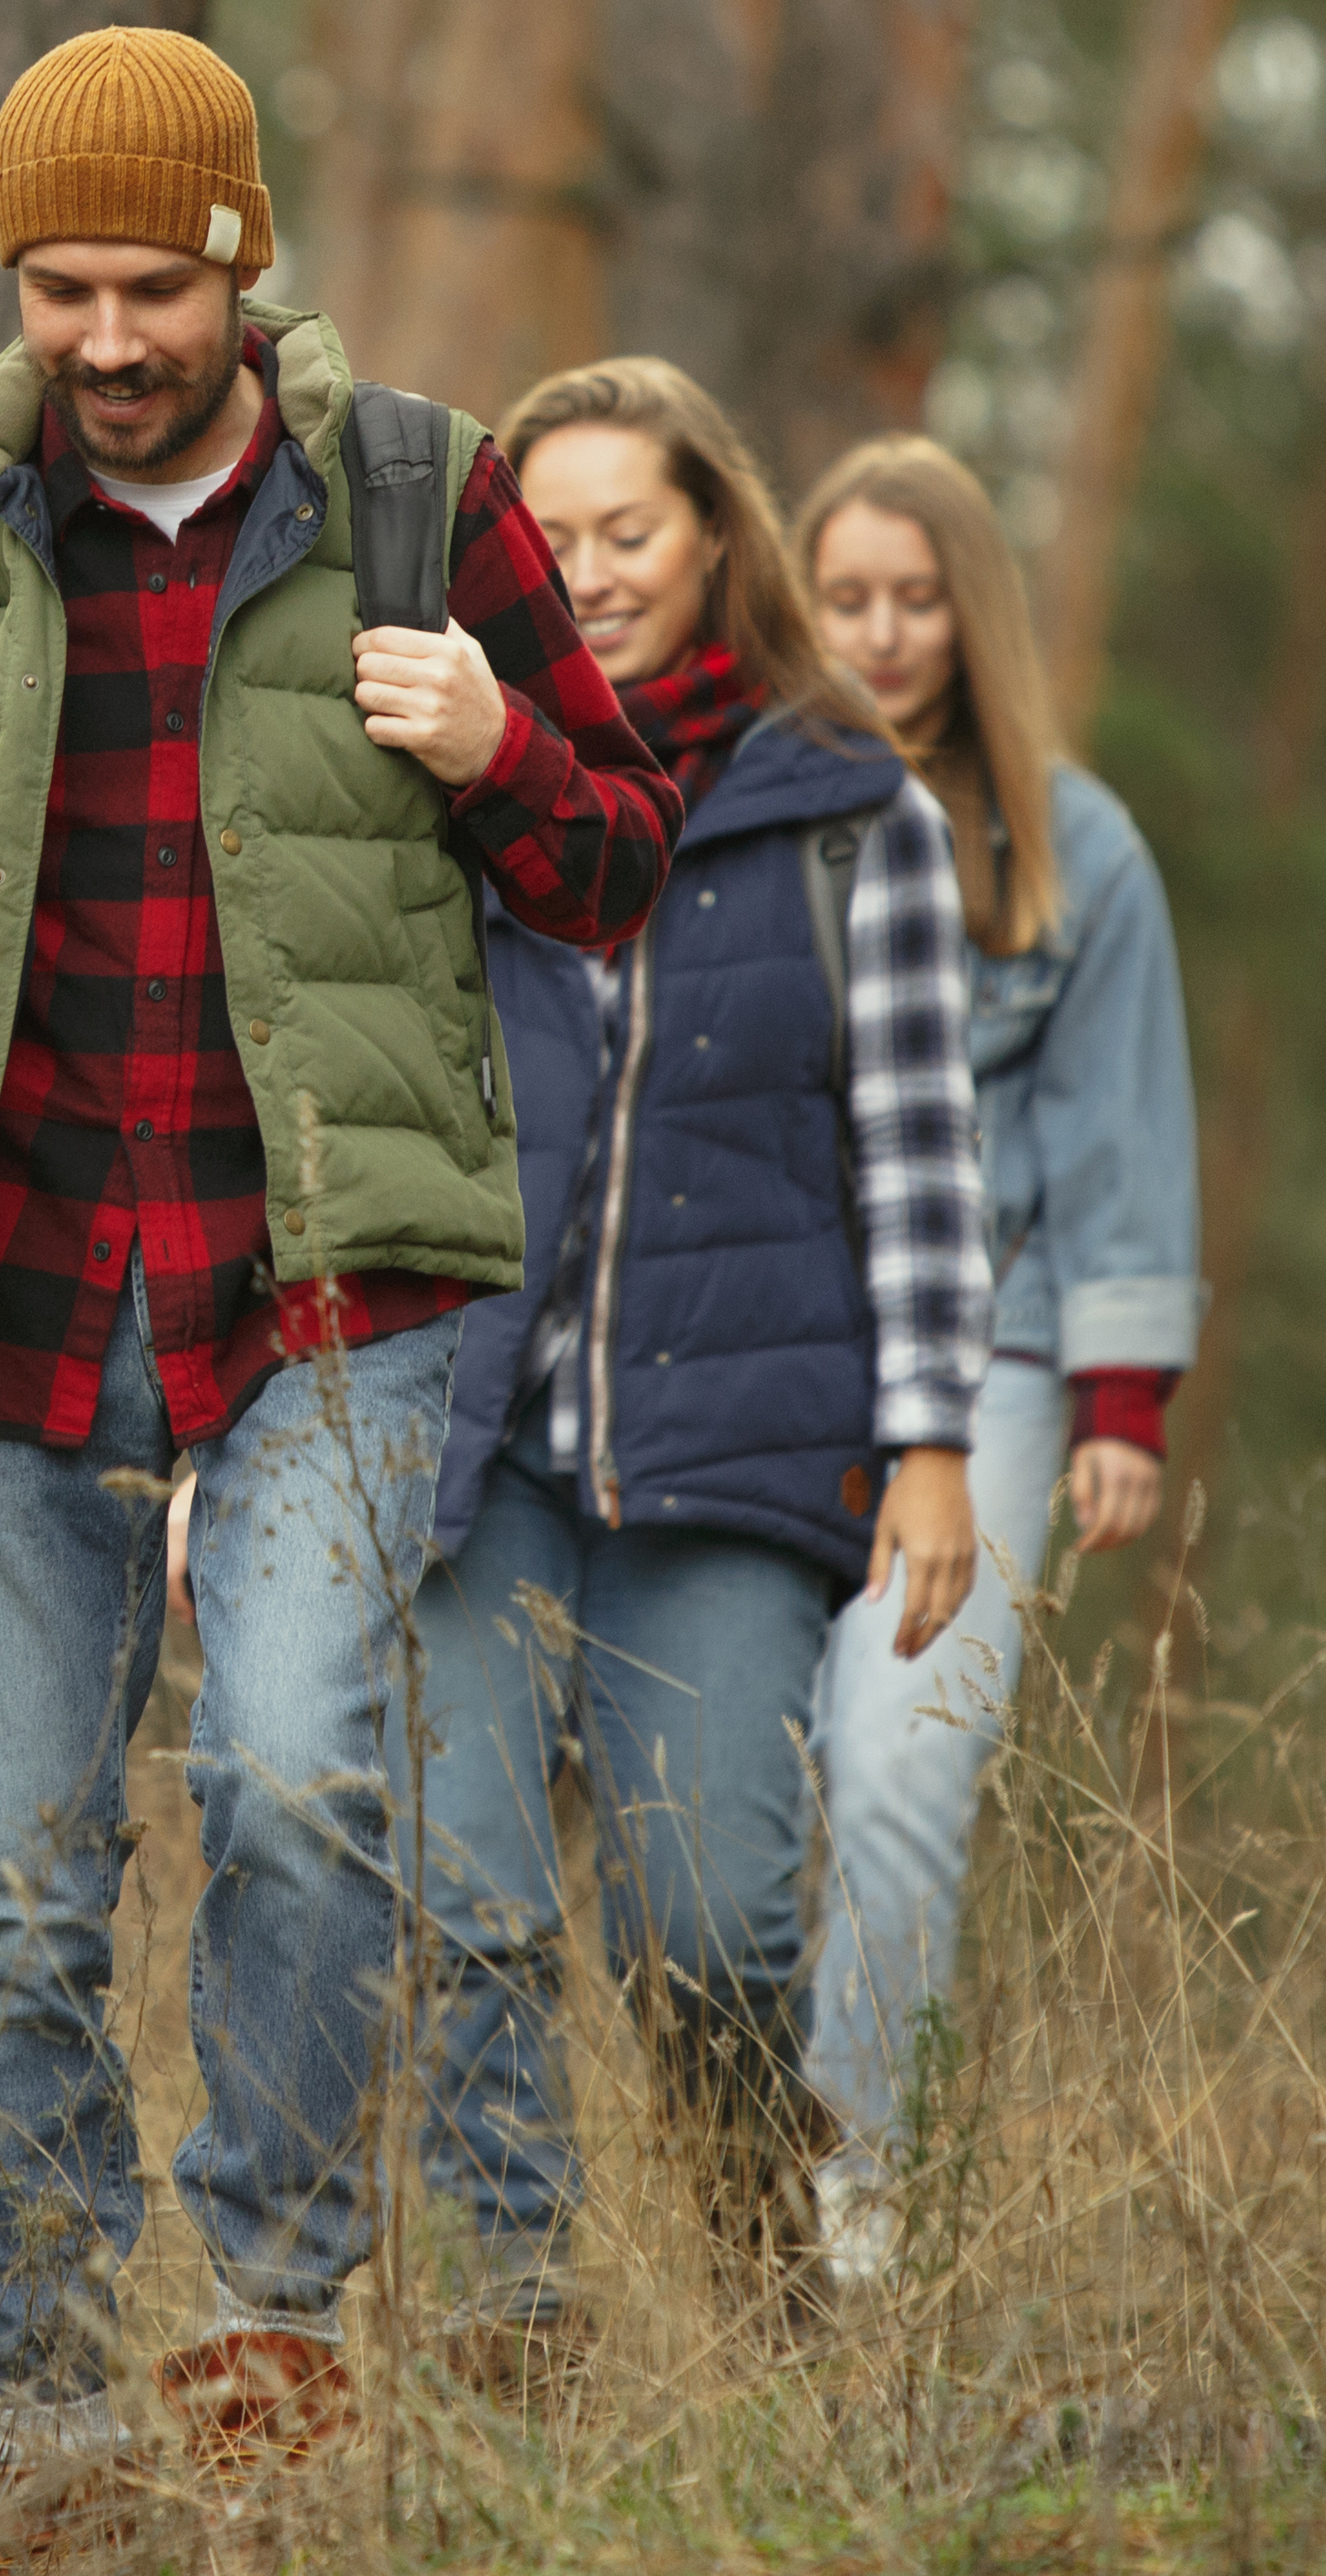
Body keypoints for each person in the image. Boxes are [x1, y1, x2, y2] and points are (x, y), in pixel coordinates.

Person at [0, 26, 678, 2527]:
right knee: (15, 1903)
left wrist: (495, 749)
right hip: (12, 1298)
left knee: (289, 1780)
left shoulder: (418, 501)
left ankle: (265, 2321)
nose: (109, 339)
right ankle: (41, 2421)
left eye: (153, 285)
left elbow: (619, 872)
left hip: (331, 1295)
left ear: (246, 256)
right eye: (60, 287)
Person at [409, 357, 991, 2340]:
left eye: (626, 534)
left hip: (736, 1458)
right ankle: (519, 2319)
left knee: (717, 1927)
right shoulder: (443, 788)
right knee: (464, 1901)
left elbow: (917, 1149)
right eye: (546, 541)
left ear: (719, 535)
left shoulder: (855, 821)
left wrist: (932, 1439)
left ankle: (761, 2271)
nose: (584, 576)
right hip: (470, 1445)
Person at [792, 431, 1196, 2286]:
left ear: (975, 610)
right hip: (776, 1355)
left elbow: (1123, 1125)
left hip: (1004, 1364)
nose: (881, 632)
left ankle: (862, 2185)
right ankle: (720, 2173)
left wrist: (1124, 1404)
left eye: (917, 596)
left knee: (895, 1764)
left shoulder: (1073, 840)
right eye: (846, 596)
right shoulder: (748, 800)